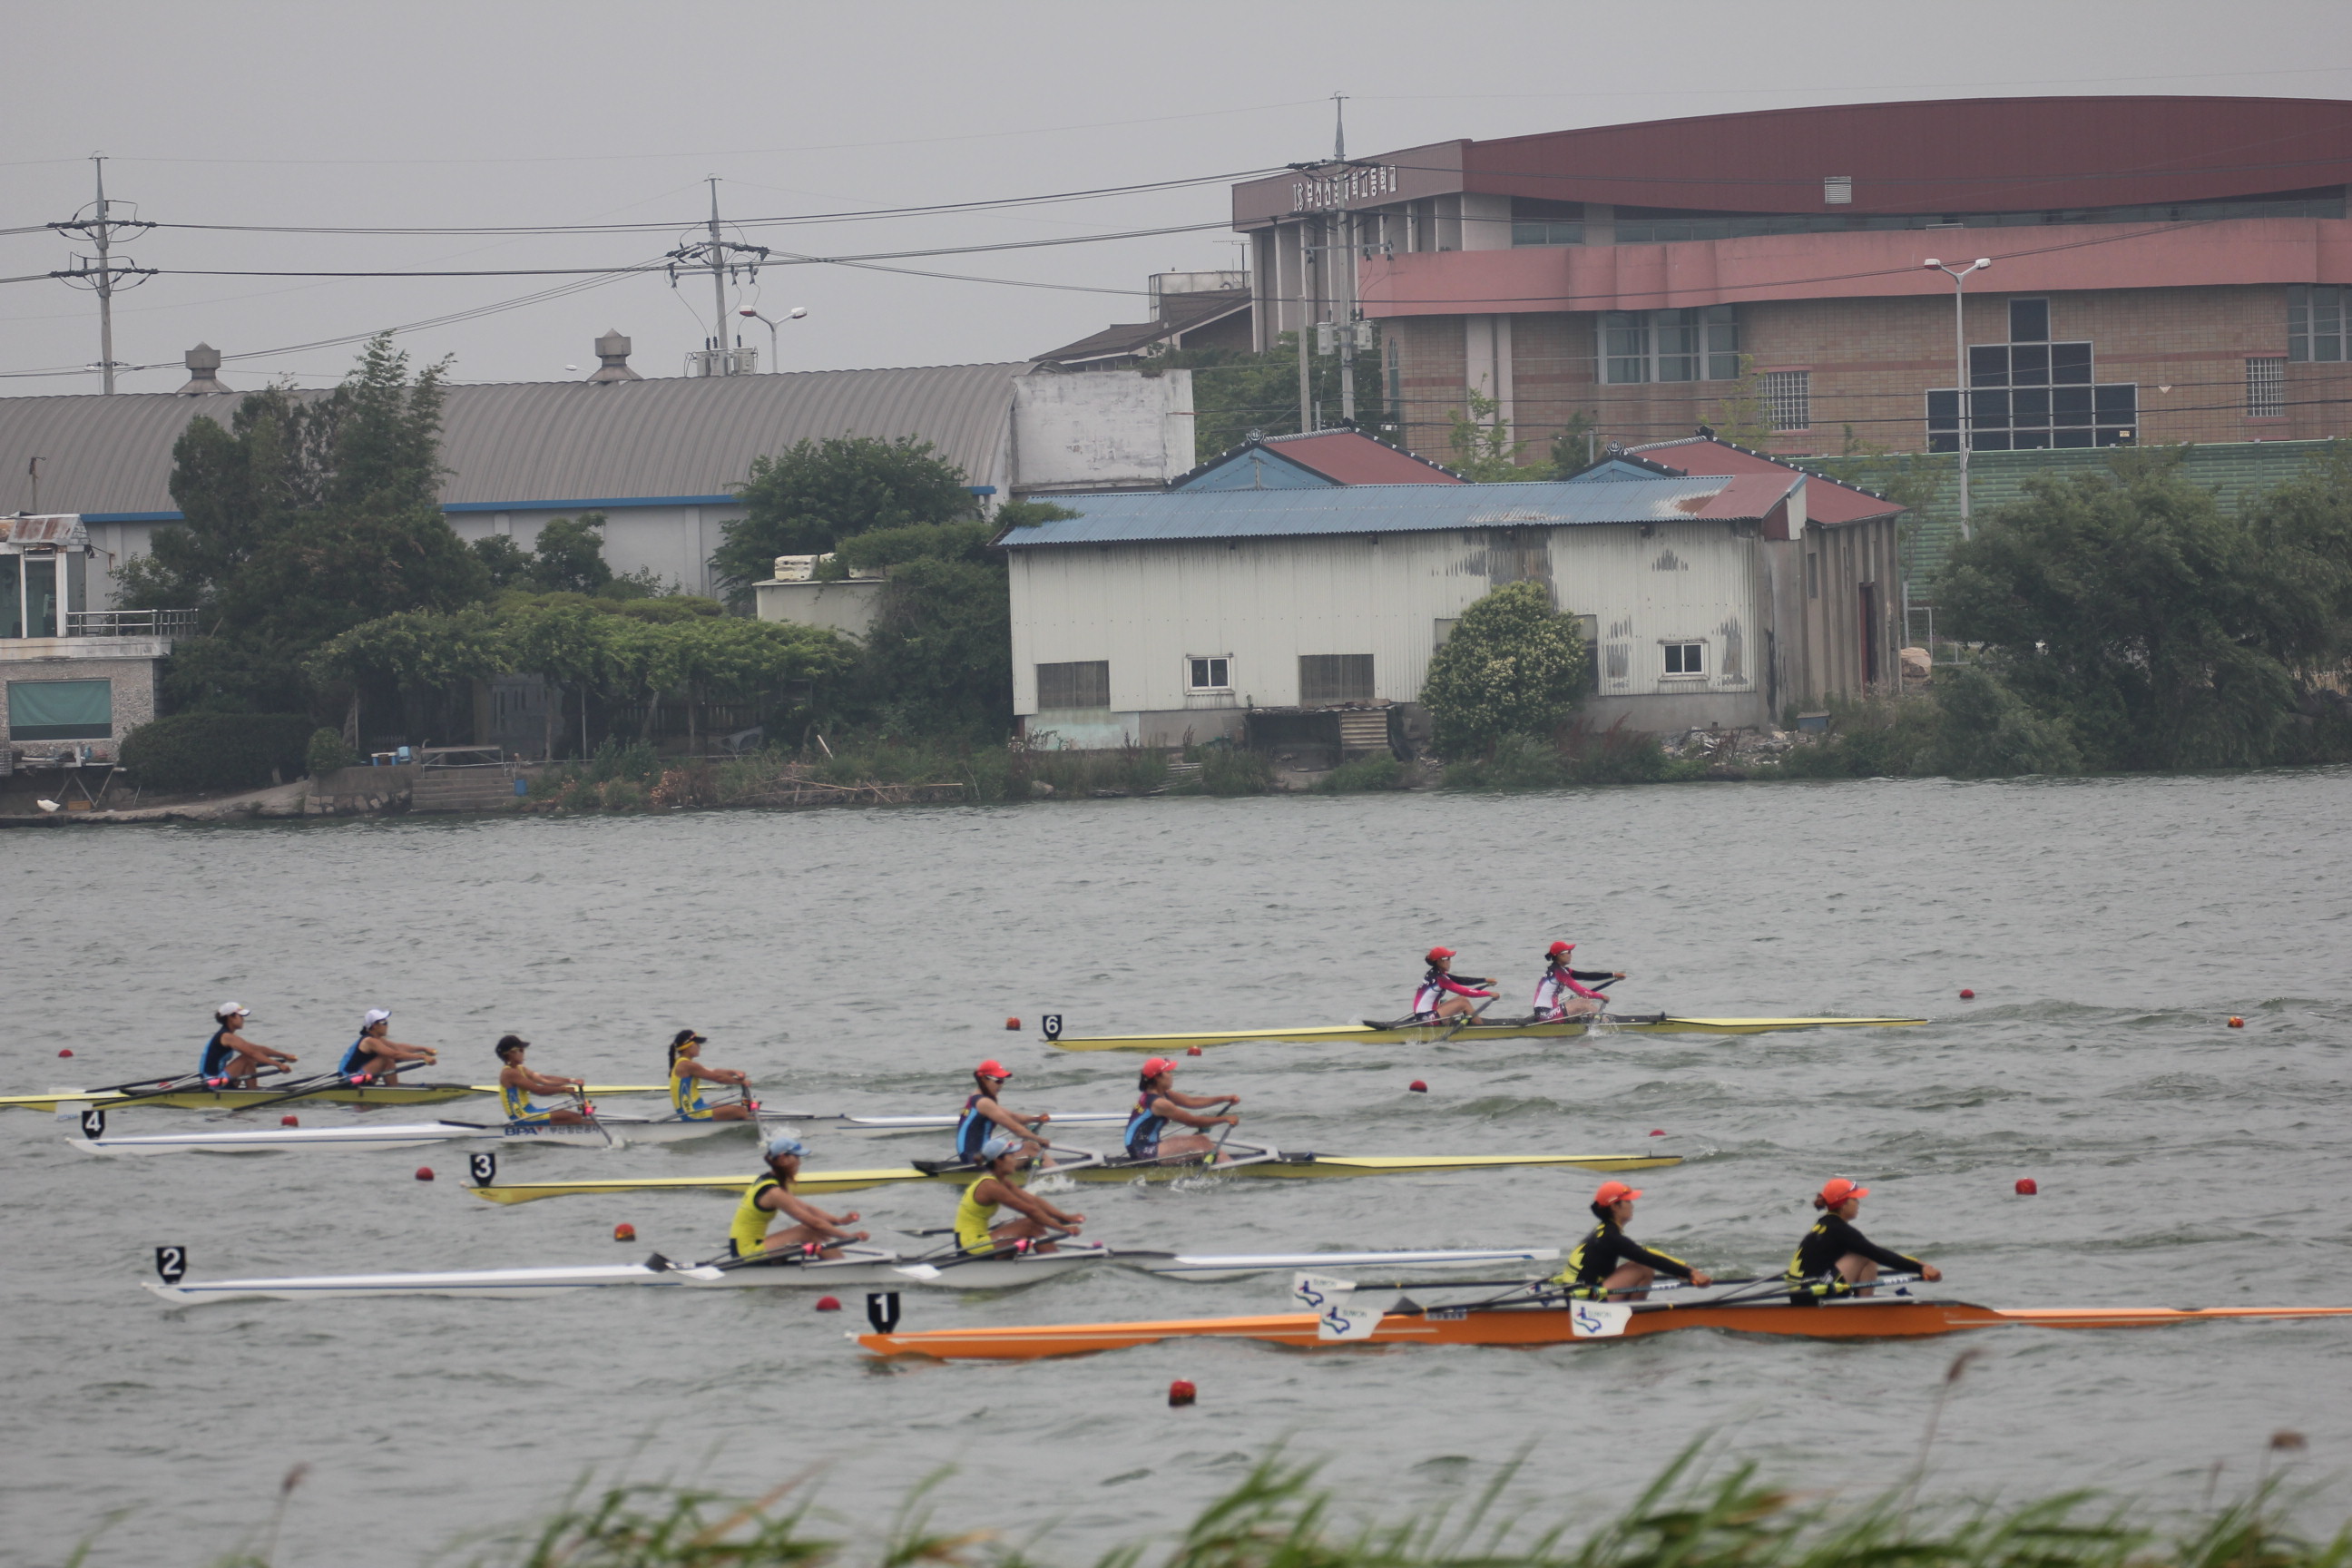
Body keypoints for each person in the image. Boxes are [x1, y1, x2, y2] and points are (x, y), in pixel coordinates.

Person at [1786, 1178, 1943, 1298]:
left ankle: (1857, 1300)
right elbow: (1878, 1254)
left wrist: (1916, 1263)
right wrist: (1920, 1268)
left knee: (1863, 1254)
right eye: (1854, 1199)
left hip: (1801, 1293)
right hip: (1813, 1294)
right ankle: (1862, 1309)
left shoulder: (1824, 1225)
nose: (1858, 1203)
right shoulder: (1840, 1230)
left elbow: (1875, 1251)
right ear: (1843, 1204)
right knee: (1867, 1257)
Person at [1556, 1181, 1712, 1300]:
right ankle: (1636, 1315)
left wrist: (1685, 1269)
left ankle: (1632, 1311)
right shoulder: (1610, 1237)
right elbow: (1647, 1258)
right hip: (1585, 1300)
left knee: (1639, 1264)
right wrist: (1690, 1273)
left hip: (1581, 1293)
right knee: (1643, 1268)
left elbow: (1646, 1252)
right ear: (1615, 1207)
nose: (1632, 1206)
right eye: (1628, 1201)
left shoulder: (1605, 1231)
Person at [728, 1135, 868, 1260]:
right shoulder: (774, 1192)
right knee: (807, 1231)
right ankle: (841, 1271)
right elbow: (814, 1223)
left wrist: (839, 1221)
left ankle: (834, 1265)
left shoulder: (768, 1181)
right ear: (783, 1159)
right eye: (797, 1157)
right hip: (746, 1252)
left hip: (745, 1247)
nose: (799, 1163)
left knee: (808, 1232)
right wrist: (847, 1237)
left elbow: (808, 1209)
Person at [954, 1134, 1086, 1256]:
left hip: (975, 1239)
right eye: (1011, 1156)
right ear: (999, 1161)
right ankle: (1055, 1262)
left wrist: (1066, 1217)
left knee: (1029, 1225)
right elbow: (1029, 1210)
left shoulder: (1001, 1181)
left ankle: (1050, 1257)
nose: (1015, 1159)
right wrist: (1063, 1228)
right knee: (1031, 1225)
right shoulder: (990, 1186)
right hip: (971, 1245)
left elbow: (1033, 1200)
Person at [1123, 1056, 1240, 1163]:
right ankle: (1234, 1169)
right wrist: (1225, 1119)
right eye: (1168, 1072)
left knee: (1201, 1139)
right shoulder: (1159, 1103)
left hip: (1148, 1145)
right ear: (1157, 1078)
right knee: (1201, 1143)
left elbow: (1192, 1101)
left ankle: (1223, 1162)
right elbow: (1193, 1122)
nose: (1171, 1075)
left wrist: (1225, 1098)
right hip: (1142, 1152)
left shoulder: (1163, 1094)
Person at [955, 1060, 1050, 1160]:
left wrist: (1037, 1119)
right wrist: (1040, 1140)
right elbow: (1016, 1130)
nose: (1001, 1085)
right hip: (975, 1158)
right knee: (1032, 1148)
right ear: (983, 1079)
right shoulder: (984, 1103)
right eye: (998, 1081)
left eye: (1003, 1081)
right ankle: (1058, 1174)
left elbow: (1013, 1117)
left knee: (1028, 1146)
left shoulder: (977, 1098)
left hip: (972, 1154)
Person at [494, 1034, 589, 1126]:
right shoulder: (509, 1073)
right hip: (522, 1116)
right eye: (521, 1050)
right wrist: (563, 1089)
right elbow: (538, 1090)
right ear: (511, 1053)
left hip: (529, 1110)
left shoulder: (520, 1069)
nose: (524, 1053)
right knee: (572, 1116)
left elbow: (544, 1079)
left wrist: (571, 1080)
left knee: (568, 1115)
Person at [199, 1003, 297, 1089]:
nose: (243, 1019)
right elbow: (252, 1053)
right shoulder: (227, 1036)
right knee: (247, 1058)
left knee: (249, 1057)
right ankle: (253, 1093)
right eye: (240, 1016)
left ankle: (253, 1091)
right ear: (230, 1017)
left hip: (216, 1080)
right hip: (212, 1083)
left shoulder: (229, 1036)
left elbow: (256, 1049)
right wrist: (279, 1065)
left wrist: (284, 1055)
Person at [668, 1030, 752, 1122]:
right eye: (697, 1044)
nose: (699, 1047)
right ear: (689, 1046)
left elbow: (715, 1071)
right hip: (691, 1113)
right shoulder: (687, 1065)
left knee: (725, 1106)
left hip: (696, 1107)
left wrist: (733, 1072)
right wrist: (742, 1082)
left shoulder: (683, 1063)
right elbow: (718, 1078)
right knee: (741, 1111)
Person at [338, 1009, 437, 1084]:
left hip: (360, 1075)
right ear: (374, 1026)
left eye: (386, 1022)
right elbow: (395, 1054)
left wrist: (423, 1049)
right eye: (383, 1022)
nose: (387, 1025)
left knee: (388, 1057)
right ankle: (394, 1092)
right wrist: (422, 1057)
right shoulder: (370, 1041)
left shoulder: (377, 1040)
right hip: (350, 1079)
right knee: (387, 1057)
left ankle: (393, 1089)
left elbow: (398, 1048)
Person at [1532, 941, 1623, 1022]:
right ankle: (1605, 1024)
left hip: (1548, 1011)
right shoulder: (1559, 972)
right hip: (1545, 1015)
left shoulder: (1561, 970)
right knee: (1584, 1004)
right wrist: (1602, 996)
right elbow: (1582, 992)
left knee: (1585, 1001)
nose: (1571, 954)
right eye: (1568, 952)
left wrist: (1613, 975)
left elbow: (1587, 976)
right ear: (1560, 955)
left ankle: (1594, 1022)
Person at [1411, 947, 1497, 1024]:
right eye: (1447, 958)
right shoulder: (1441, 979)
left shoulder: (1434, 973)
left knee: (1458, 999)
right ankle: (1480, 1029)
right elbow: (1465, 992)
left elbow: (1461, 980)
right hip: (1428, 1018)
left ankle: (1467, 1021)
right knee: (1463, 1002)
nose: (1450, 961)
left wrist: (1484, 980)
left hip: (1422, 1016)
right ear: (1439, 961)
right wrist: (1489, 994)